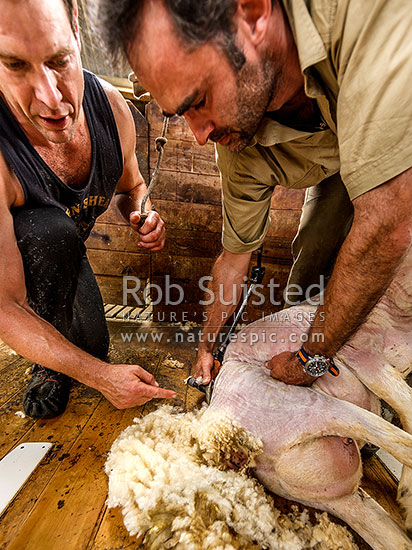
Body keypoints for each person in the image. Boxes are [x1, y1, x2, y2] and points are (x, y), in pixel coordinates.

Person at [95, 0, 412, 387]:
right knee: (311, 258)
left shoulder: (362, 18)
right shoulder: (237, 147)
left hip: (400, 146)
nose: (198, 136)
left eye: (199, 101)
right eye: (181, 114)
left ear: (253, 13)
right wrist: (207, 345)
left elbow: (387, 222)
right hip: (340, 162)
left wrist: (308, 360)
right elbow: (234, 259)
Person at [0, 0, 177, 419]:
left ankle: (63, 343)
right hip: (14, 272)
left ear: (77, 30)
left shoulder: (112, 110)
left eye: (60, 60)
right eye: (15, 65)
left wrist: (143, 212)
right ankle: (45, 366)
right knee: (47, 230)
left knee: (94, 344)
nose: (51, 97)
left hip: (65, 255)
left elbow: (131, 184)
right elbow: (4, 305)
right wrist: (101, 378)